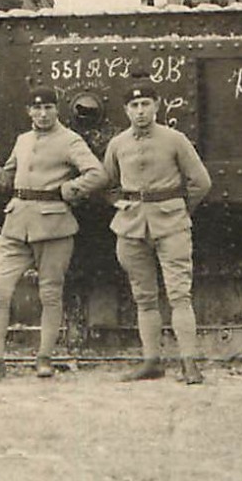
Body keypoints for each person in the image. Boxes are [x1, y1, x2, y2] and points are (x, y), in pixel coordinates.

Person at [0, 86, 106, 383]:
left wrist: (70, 190)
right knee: (0, 291)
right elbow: (6, 181)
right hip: (16, 224)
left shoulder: (70, 140)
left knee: (50, 294)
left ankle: (45, 358)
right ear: (28, 111)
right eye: (36, 109)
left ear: (57, 110)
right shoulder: (23, 140)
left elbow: (97, 173)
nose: (42, 114)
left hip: (54, 225)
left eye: (48, 108)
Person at [102, 81, 213, 385]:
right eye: (134, 106)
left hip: (171, 225)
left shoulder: (175, 140)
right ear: (126, 110)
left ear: (157, 106)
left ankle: (189, 363)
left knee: (179, 295)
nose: (140, 111)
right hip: (131, 226)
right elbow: (107, 183)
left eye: (146, 104)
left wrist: (178, 210)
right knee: (144, 297)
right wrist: (120, 203)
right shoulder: (118, 144)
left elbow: (201, 183)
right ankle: (151, 361)